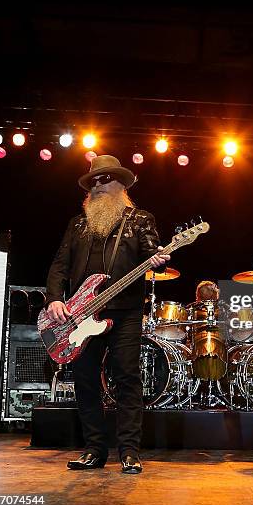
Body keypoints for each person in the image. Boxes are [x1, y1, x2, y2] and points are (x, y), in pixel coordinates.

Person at [45, 155, 170, 474]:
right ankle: (94, 450)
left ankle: (129, 451)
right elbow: (59, 265)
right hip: (81, 316)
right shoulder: (77, 224)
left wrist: (159, 259)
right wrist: (55, 300)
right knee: (86, 380)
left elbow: (153, 254)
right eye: (94, 182)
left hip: (125, 311)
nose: (99, 186)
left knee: (127, 378)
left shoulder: (140, 219)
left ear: (121, 184)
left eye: (106, 179)